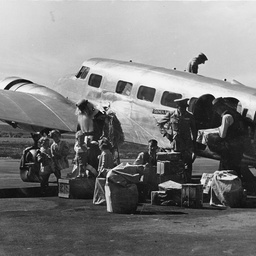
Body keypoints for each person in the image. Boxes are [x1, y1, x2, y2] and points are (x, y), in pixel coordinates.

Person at [158, 98, 197, 182]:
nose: (183, 109)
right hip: (176, 143)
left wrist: (194, 142)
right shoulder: (171, 115)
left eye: (184, 107)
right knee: (176, 162)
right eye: (181, 107)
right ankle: (177, 180)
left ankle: (188, 180)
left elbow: (194, 130)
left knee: (188, 163)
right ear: (178, 107)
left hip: (187, 144)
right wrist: (166, 134)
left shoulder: (189, 116)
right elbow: (159, 124)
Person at [207, 97, 246, 176]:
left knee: (226, 170)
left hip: (229, 148)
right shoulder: (235, 114)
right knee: (236, 169)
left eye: (216, 109)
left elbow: (222, 135)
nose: (217, 111)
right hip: (239, 147)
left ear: (220, 107)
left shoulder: (226, 117)